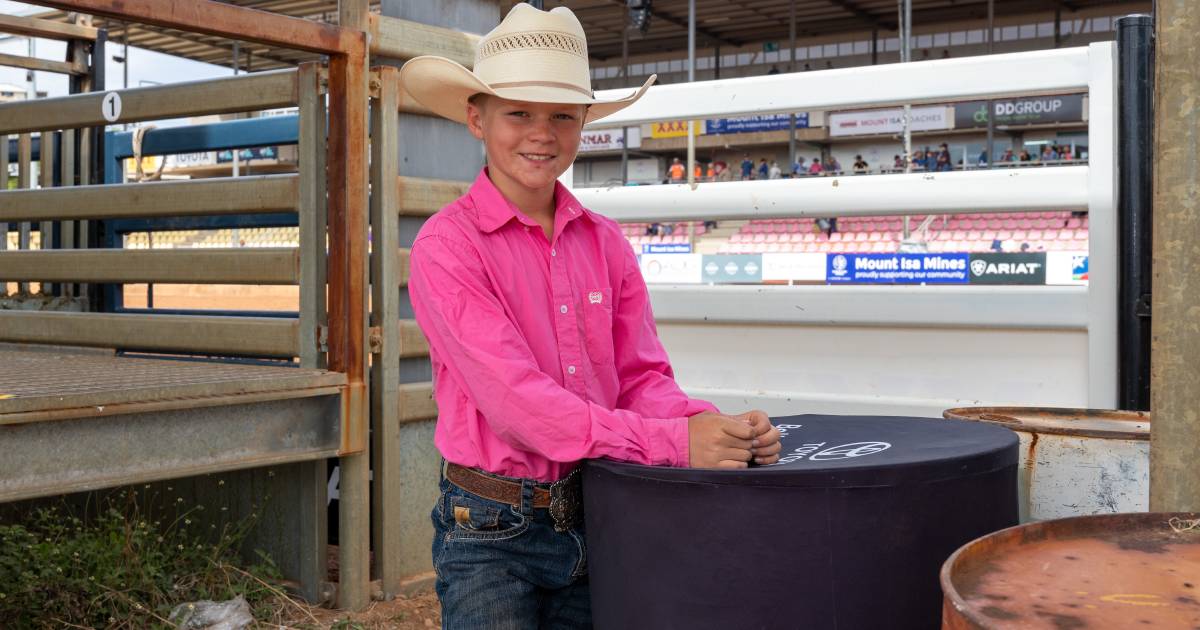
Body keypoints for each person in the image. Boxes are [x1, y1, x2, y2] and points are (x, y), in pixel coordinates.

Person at [398, 6, 781, 628]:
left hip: (602, 506)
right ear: (477, 118)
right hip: (494, 530)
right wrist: (679, 444)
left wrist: (718, 429)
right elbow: (520, 407)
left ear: (583, 125)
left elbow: (641, 378)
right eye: (518, 112)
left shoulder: (605, 243)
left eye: (561, 116)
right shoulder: (449, 247)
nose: (540, 133)